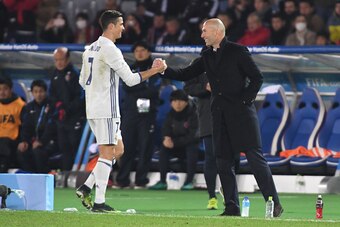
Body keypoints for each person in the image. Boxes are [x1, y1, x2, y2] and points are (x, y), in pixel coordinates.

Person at [154, 18, 283, 217]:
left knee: (255, 160)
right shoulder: (206, 54)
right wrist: (164, 69)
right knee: (223, 162)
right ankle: (232, 207)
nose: (202, 35)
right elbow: (186, 73)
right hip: (219, 116)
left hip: (242, 115)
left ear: (217, 32)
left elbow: (257, 78)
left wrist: (244, 101)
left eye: (205, 31)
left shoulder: (238, 51)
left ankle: (273, 203)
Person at [76, 10, 166, 213]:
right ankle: (99, 203)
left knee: (119, 150)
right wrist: (155, 70)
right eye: (121, 24)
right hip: (106, 109)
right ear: (111, 26)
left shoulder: (89, 48)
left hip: (93, 108)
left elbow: (82, 82)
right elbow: (132, 80)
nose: (123, 27)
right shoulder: (110, 49)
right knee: (108, 153)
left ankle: (86, 186)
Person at [115, 41, 161, 189]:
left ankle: (141, 181)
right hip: (130, 114)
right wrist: (142, 87)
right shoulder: (130, 68)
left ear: (149, 52)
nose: (139, 53)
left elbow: (153, 90)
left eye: (143, 50)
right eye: (137, 51)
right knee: (126, 147)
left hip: (147, 115)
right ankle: (122, 181)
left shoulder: (155, 69)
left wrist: (135, 87)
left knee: (145, 148)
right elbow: (126, 86)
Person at [149, 90, 199, 190]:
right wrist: (166, 138)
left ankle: (189, 181)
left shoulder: (193, 114)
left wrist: (174, 143)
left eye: (180, 101)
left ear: (186, 102)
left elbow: (193, 136)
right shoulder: (170, 114)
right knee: (163, 148)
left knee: (192, 147)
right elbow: (166, 129)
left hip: (188, 145)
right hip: (175, 146)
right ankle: (162, 181)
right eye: (175, 101)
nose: (178, 104)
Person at [184, 73, 218, 210]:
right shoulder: (199, 64)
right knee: (210, 156)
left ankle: (230, 197)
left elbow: (245, 81)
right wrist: (205, 87)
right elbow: (188, 87)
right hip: (207, 117)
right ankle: (212, 197)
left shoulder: (232, 58)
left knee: (232, 158)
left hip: (231, 115)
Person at [50, 47, 85, 171]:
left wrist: (67, 109)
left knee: (74, 146)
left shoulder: (75, 74)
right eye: (56, 60)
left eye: (61, 59)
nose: (59, 62)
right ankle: (65, 174)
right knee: (63, 147)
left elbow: (80, 97)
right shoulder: (55, 74)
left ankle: (76, 174)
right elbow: (52, 95)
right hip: (61, 119)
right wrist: (58, 107)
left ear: (68, 59)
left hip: (74, 118)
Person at [17, 80, 58, 173]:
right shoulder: (28, 107)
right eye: (35, 92)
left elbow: (52, 127)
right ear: (32, 93)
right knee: (21, 150)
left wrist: (41, 141)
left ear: (45, 92)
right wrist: (24, 141)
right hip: (33, 142)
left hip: (49, 142)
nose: (38, 94)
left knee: (38, 151)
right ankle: (29, 176)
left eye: (41, 91)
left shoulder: (52, 105)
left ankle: (42, 176)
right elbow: (25, 126)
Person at [0, 76, 25, 173]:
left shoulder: (20, 105)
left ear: (11, 89)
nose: (2, 92)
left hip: (12, 141)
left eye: (5, 89)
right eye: (0, 89)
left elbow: (25, 127)